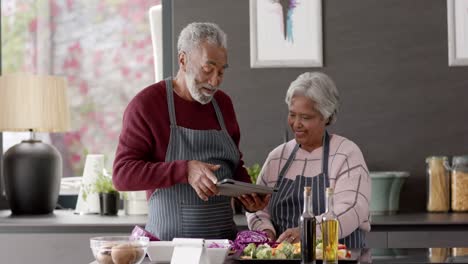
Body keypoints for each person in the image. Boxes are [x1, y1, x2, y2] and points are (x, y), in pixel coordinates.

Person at [113, 22, 269, 241]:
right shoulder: (147, 105)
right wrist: (184, 170)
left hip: (223, 246)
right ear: (183, 60)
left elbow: (233, 165)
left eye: (221, 71)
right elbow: (122, 175)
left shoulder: (223, 105)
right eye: (208, 69)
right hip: (168, 250)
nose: (215, 81)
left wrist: (248, 194)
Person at [246, 72, 371, 248]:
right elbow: (259, 208)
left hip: (338, 257)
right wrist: (266, 232)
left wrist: (308, 231)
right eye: (292, 115)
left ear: (326, 116)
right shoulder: (278, 157)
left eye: (305, 117)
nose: (296, 124)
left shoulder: (346, 154)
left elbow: (353, 210)